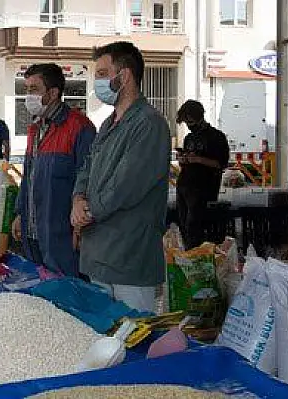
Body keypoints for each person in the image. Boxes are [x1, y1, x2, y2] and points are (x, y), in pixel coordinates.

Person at [71, 41, 171, 312]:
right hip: (99, 253)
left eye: (103, 74)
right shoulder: (108, 123)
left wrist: (88, 212)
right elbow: (87, 166)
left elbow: (126, 185)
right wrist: (78, 199)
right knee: (104, 338)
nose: (97, 82)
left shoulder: (149, 124)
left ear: (124, 76)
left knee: (133, 336)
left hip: (129, 256)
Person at [11, 63, 96, 277]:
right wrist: (20, 213)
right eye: (26, 89)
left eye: (34, 89)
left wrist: (80, 228)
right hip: (33, 234)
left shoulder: (79, 127)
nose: (28, 95)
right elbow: (28, 177)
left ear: (53, 93)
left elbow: (89, 179)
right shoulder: (35, 128)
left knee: (67, 296)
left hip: (62, 236)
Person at [175, 100, 230, 249]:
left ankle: (197, 256)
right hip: (184, 186)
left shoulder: (216, 137)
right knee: (184, 226)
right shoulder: (189, 138)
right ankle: (188, 254)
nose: (188, 125)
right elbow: (185, 163)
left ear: (199, 117)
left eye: (190, 121)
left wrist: (198, 159)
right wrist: (184, 160)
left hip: (203, 190)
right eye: (186, 122)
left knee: (195, 227)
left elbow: (221, 164)